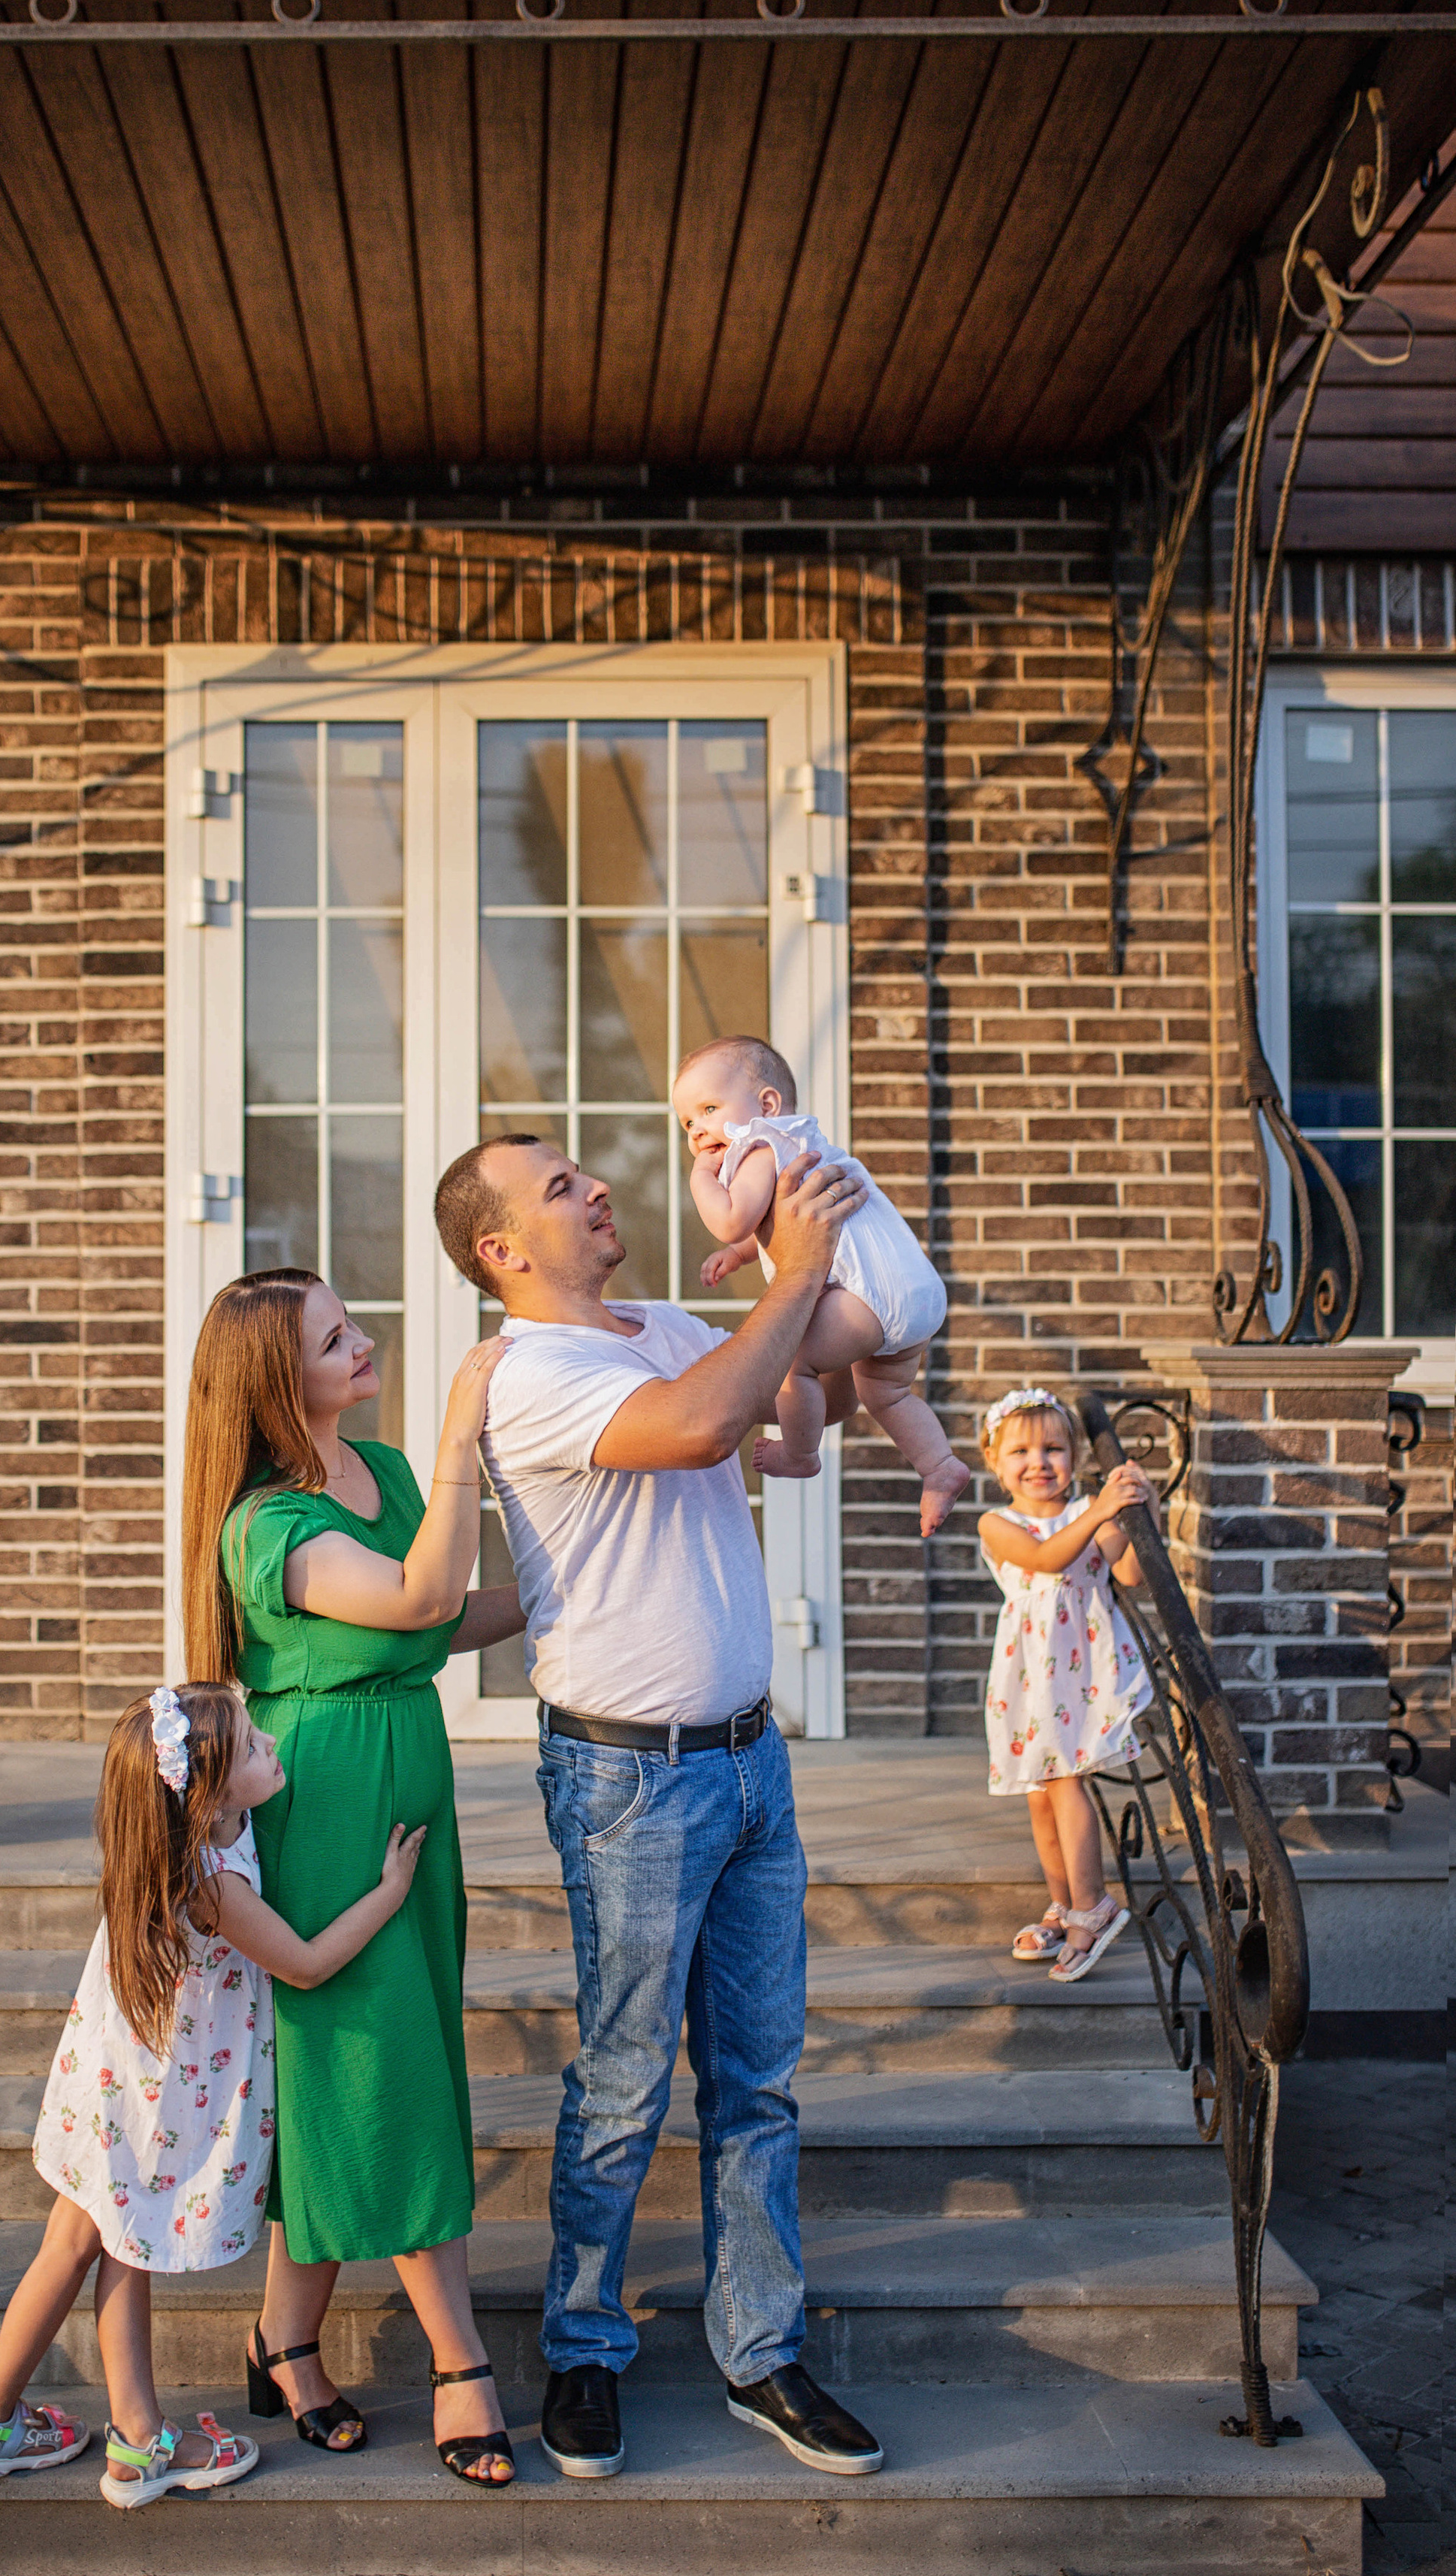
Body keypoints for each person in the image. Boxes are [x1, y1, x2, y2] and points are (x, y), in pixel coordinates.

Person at [434, 1128, 886, 2484]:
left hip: (755, 1762)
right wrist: (789, 1289)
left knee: (758, 2080)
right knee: (626, 2084)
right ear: (503, 1250)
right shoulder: (526, 1374)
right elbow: (699, 1423)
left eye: (585, 1170)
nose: (594, 1187)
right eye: (558, 1186)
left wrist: (797, 1322)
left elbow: (792, 1440)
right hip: (628, 1777)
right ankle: (584, 2350)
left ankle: (762, 2355)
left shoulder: (672, 1321)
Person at [182, 1268, 529, 2487]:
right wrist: (461, 1441)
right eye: (338, 1337)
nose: (365, 1341)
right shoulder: (265, 1526)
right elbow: (419, 1589)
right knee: (385, 2066)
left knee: (371, 2059)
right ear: (281, 1381)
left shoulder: (375, 1475)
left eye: (352, 1323)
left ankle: (282, 2340)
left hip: (409, 1784)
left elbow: (441, 1623)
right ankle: (459, 2359)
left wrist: (570, 1587)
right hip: (324, 1806)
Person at [0, 1681, 421, 2507]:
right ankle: (134, 2448)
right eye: (250, 1746)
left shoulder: (183, 1834)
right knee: (115, 2250)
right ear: (204, 1793)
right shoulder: (208, 1879)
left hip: (118, 2079)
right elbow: (303, 1965)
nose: (272, 1744)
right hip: (151, 2102)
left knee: (75, 2245)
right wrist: (389, 1892)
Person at [673, 1034, 968, 1536]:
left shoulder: (761, 1147)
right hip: (913, 1291)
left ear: (766, 1105)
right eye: (687, 1123)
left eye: (708, 1108)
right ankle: (940, 1467)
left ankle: (801, 1452)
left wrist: (701, 1179)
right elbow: (773, 1225)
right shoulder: (804, 1145)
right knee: (888, 1395)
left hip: (866, 1300)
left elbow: (732, 1219)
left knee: (791, 1357)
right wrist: (741, 1255)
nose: (699, 1131)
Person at [977, 1388, 1156, 1981]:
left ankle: (1093, 1907)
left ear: (1075, 1458)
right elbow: (1048, 1558)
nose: (1039, 1462)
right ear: (994, 1462)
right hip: (1031, 1671)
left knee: (1064, 1780)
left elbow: (1126, 1572)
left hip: (1081, 1667)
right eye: (1021, 1451)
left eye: (1054, 1448)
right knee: (1039, 1791)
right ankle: (1064, 1903)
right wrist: (1099, 1510)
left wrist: (1138, 1513)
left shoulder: (1091, 1511)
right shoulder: (998, 1522)